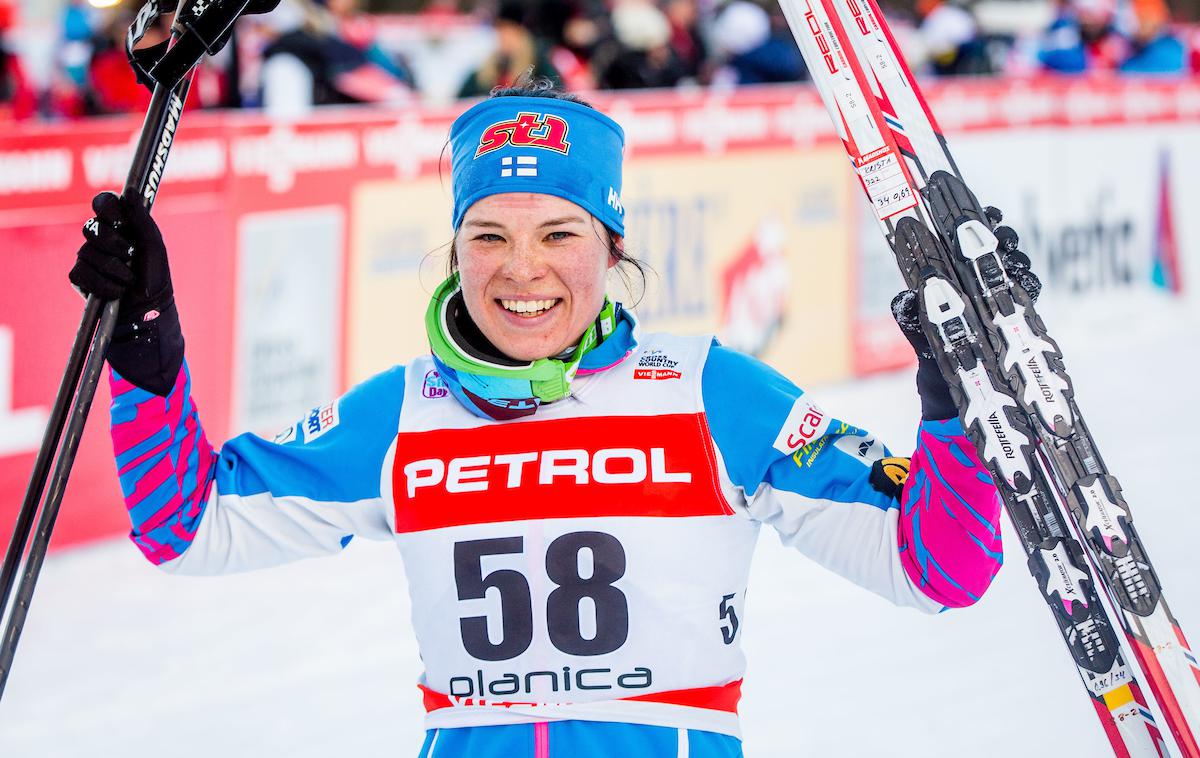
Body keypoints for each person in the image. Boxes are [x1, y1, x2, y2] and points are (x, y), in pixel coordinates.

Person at [69, 79, 1033, 755]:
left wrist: (951, 409)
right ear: (455, 250)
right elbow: (185, 525)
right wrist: (145, 341)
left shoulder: (711, 394)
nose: (521, 270)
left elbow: (939, 568)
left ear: (611, 249)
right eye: (487, 235)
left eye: (559, 235)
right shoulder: (404, 412)